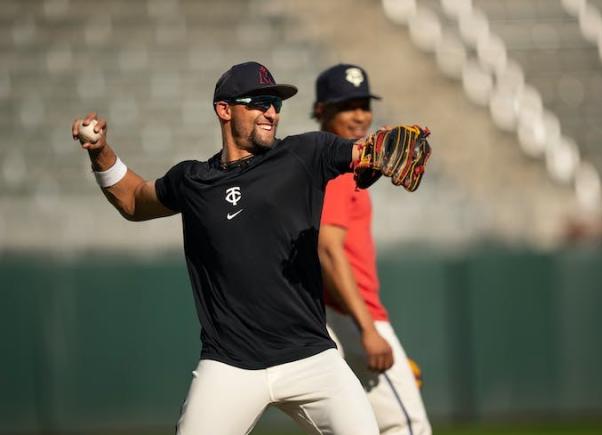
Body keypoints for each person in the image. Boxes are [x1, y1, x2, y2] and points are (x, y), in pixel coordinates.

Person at [72, 61, 382, 435]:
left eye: (276, 104)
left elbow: (365, 151)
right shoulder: (192, 180)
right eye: (259, 102)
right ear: (224, 109)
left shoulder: (303, 154)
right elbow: (134, 201)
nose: (271, 112)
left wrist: (384, 151)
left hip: (311, 357)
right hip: (230, 363)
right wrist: (100, 151)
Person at [313, 64, 432, 435]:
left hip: (332, 315)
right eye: (348, 105)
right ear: (322, 111)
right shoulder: (337, 167)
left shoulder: (321, 163)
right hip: (350, 313)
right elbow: (328, 249)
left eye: (364, 104)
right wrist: (368, 331)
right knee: (406, 426)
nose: (361, 115)